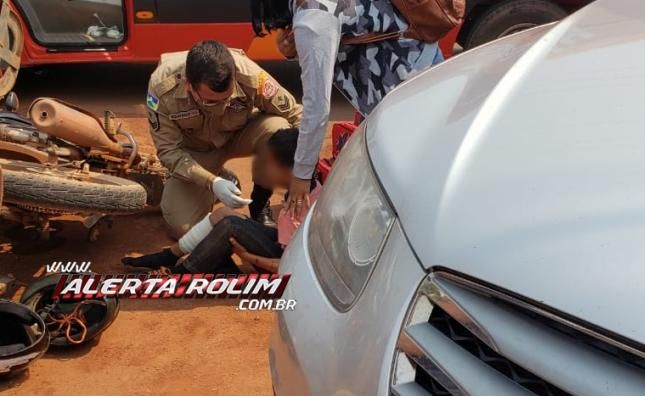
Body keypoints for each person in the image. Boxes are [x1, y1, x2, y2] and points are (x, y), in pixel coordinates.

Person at [251, 0, 443, 222]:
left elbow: (317, 109)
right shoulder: (312, 12)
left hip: (408, 88)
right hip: (418, 65)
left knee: (407, 183)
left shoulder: (311, 19)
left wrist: (301, 175)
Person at [147, 39, 303, 237]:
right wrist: (212, 181)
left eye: (227, 99)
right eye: (210, 102)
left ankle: (260, 204)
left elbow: (296, 115)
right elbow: (169, 151)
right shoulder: (162, 87)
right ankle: (221, 179)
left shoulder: (249, 74)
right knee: (182, 228)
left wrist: (301, 173)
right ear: (188, 86)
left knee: (280, 131)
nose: (221, 108)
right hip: (196, 153)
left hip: (239, 135)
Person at [122, 128, 321, 274]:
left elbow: (290, 268)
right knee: (223, 214)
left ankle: (182, 272)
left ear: (289, 170)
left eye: (270, 163)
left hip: (285, 266)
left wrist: (248, 257)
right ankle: (171, 256)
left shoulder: (299, 207)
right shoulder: (309, 188)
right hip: (286, 249)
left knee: (230, 225)